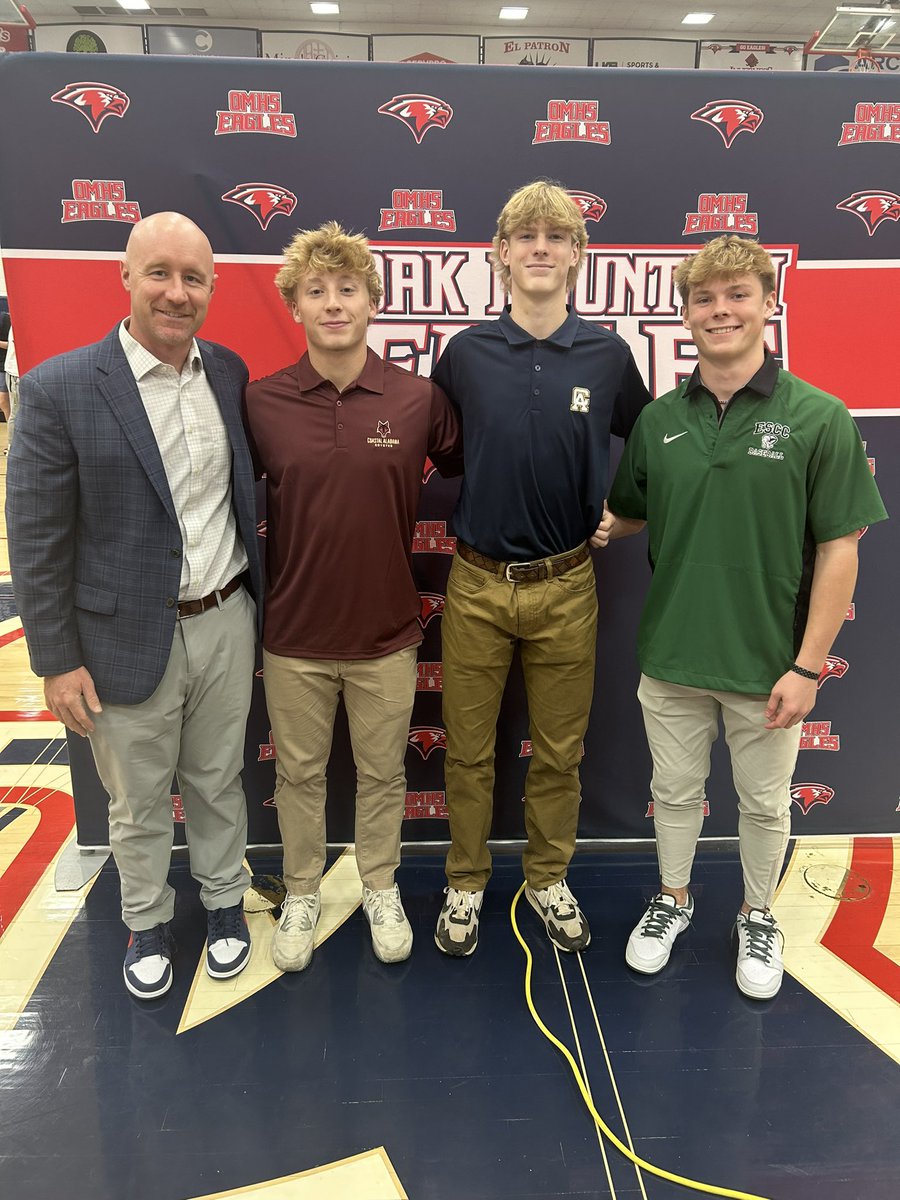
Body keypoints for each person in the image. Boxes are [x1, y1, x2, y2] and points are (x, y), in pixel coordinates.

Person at [605, 234, 888, 999]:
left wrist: (807, 666)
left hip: (769, 666)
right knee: (672, 795)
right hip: (671, 656)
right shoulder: (661, 418)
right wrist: (594, 524)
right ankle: (672, 900)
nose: (720, 310)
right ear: (685, 313)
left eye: (737, 295)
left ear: (770, 303)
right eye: (704, 297)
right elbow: (631, 511)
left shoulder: (819, 418)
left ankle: (758, 913)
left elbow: (840, 550)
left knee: (763, 804)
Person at [7, 212, 264, 1000]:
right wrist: (55, 661)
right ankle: (146, 919)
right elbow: (39, 538)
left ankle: (225, 905)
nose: (175, 293)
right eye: (159, 273)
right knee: (139, 798)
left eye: (193, 278)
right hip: (120, 637)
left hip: (224, 618)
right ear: (125, 277)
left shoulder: (227, 372)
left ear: (213, 289)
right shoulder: (59, 389)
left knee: (220, 782)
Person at [431, 180, 650, 957]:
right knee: (468, 747)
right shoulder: (463, 354)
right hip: (478, 582)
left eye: (556, 237)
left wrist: (632, 517)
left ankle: (549, 876)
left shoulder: (608, 354)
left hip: (566, 586)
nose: (540, 249)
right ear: (500, 255)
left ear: (578, 257)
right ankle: (464, 882)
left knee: (559, 751)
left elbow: (659, 444)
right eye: (525, 236)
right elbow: (445, 449)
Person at [243, 221, 461, 971]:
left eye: (347, 289)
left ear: (373, 302)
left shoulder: (417, 400)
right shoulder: (261, 402)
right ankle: (302, 891)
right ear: (295, 307)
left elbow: (486, 465)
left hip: (387, 636)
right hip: (294, 634)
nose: (333, 303)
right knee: (298, 776)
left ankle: (379, 884)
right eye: (316, 291)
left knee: (383, 774)